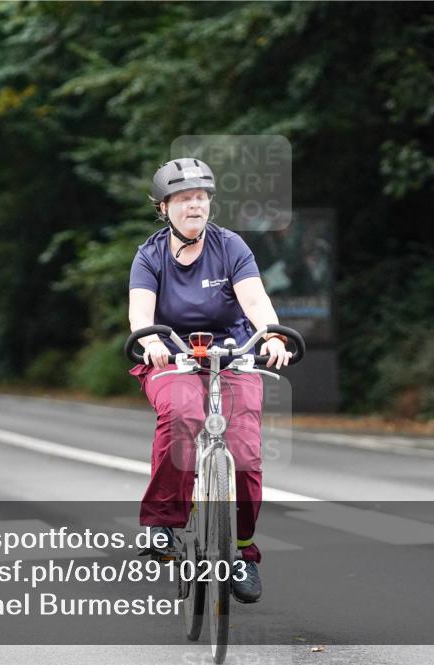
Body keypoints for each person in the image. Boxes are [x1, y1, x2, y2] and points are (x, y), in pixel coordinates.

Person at [127, 157, 293, 604]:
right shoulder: (150, 255)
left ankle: (239, 550)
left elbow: (255, 300)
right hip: (171, 355)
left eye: (200, 197)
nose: (194, 205)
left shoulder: (231, 246)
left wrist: (271, 332)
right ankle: (162, 522)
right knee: (183, 414)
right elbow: (140, 314)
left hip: (233, 353)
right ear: (164, 208)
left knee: (244, 455)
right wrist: (150, 342)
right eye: (183, 199)